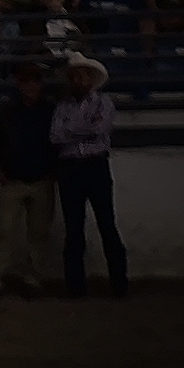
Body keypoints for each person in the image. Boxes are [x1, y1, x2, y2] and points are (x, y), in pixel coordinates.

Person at [50, 51, 127, 297]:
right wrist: (85, 127)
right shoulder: (69, 106)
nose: (79, 80)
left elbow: (94, 129)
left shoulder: (103, 103)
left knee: (106, 224)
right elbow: (56, 136)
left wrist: (71, 130)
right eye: (76, 76)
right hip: (75, 167)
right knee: (75, 228)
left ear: (90, 79)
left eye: (83, 76)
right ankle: (77, 286)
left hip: (90, 165)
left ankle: (117, 283)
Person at [0, 63, 59, 295]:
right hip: (14, 180)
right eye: (26, 81)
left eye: (34, 81)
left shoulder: (50, 111)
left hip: (40, 179)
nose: (31, 86)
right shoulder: (5, 112)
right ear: (19, 84)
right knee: (6, 231)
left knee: (38, 233)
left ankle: (31, 278)